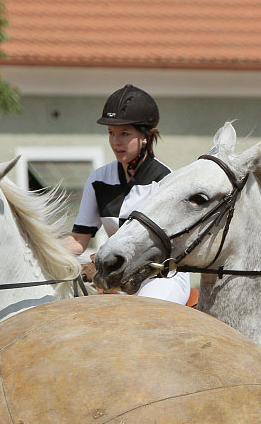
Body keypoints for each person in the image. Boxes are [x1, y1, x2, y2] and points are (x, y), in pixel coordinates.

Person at [63, 84, 190, 304]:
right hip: (117, 276)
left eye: (124, 133)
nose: (115, 141)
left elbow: (163, 249)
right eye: (111, 133)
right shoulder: (98, 180)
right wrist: (38, 251)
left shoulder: (164, 181)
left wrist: (100, 262)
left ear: (145, 137)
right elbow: (77, 240)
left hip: (160, 278)